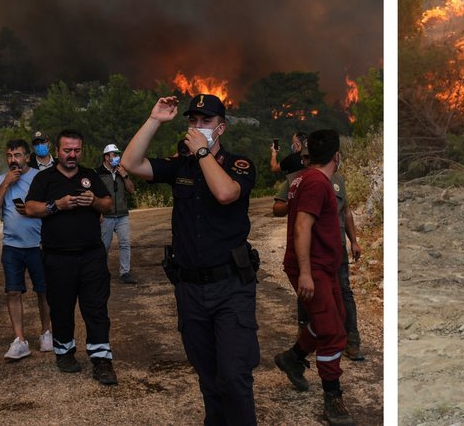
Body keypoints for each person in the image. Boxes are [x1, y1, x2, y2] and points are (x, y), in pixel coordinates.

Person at [122, 94, 259, 425]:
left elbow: (226, 193)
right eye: (192, 121)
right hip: (190, 289)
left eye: (206, 122)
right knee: (208, 377)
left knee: (233, 376)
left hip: (230, 288)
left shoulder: (239, 164)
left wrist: (201, 151)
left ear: (221, 127)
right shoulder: (179, 166)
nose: (197, 128)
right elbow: (130, 164)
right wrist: (154, 119)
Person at [23, 129, 118, 385]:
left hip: (91, 256)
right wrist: (57, 205)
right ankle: (64, 353)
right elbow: (30, 208)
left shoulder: (89, 176)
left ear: (82, 150)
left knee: (96, 308)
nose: (72, 155)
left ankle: (101, 360)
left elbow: (108, 204)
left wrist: (94, 200)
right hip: (58, 257)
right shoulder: (45, 179)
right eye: (67, 150)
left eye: (76, 150)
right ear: (57, 151)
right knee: (62, 308)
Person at [273, 129, 354, 425]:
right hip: (313, 268)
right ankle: (333, 399)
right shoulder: (317, 183)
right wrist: (306, 273)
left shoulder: (303, 178)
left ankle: (293, 358)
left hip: (324, 268)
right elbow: (302, 227)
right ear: (336, 156)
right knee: (332, 333)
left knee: (335, 320)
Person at [273, 166, 367, 362]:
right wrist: (295, 202)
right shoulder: (296, 179)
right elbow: (281, 211)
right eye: (305, 157)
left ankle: (352, 340)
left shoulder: (338, 180)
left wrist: (354, 241)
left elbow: (346, 212)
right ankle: (306, 343)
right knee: (313, 301)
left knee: (344, 293)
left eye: (310, 156)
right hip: (313, 253)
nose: (307, 161)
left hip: (337, 249)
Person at [0, 139, 52, 360]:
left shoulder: (39, 178)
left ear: (27, 156)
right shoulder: (0, 180)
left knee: (43, 291)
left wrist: (33, 211)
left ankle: (46, 333)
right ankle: (20, 340)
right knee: (13, 292)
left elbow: (51, 209)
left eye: (17, 155)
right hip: (12, 247)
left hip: (38, 245)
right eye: (9, 156)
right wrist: (5, 184)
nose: (13, 160)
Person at [98, 144, 137, 284]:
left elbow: (132, 190)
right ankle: (101, 272)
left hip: (122, 215)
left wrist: (125, 176)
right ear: (106, 157)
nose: (117, 157)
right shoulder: (98, 173)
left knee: (125, 243)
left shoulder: (122, 172)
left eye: (117, 154)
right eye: (114, 154)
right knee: (104, 246)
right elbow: (95, 196)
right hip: (106, 216)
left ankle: (125, 272)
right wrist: (98, 212)